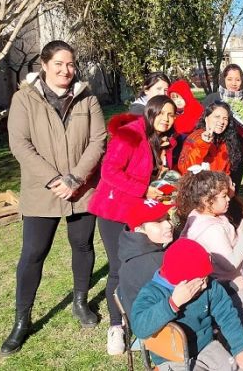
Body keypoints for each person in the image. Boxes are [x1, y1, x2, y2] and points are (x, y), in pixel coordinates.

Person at [1, 40, 107, 356]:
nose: (66, 70)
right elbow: (20, 144)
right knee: (33, 253)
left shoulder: (87, 98)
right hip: (41, 190)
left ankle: (80, 302)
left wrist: (75, 178)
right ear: (44, 65)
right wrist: (53, 179)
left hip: (82, 188)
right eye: (59, 63)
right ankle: (22, 320)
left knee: (83, 245)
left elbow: (98, 140)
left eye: (71, 64)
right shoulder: (24, 99)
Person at [88, 95, 178, 355]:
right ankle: (117, 326)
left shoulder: (164, 140)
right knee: (119, 266)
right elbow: (109, 172)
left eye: (171, 114)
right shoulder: (130, 134)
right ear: (149, 112)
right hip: (115, 209)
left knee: (147, 262)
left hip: (140, 211)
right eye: (161, 113)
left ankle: (145, 316)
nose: (166, 118)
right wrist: (144, 190)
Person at [130, 239, 243, 371]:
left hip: (206, 347)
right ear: (180, 283)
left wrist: (240, 348)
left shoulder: (209, 285)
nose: (205, 284)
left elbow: (227, 315)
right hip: (172, 359)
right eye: (200, 280)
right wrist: (172, 303)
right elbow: (139, 327)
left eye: (206, 278)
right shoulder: (153, 292)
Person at [178, 170, 243, 328]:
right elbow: (230, 263)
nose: (228, 199)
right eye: (224, 196)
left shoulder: (200, 214)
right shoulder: (211, 229)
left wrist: (241, 231)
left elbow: (227, 246)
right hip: (220, 285)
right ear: (207, 201)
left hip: (222, 279)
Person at [117, 199, 175, 317]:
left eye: (167, 218)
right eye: (158, 221)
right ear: (139, 230)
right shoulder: (154, 263)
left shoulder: (132, 251)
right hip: (163, 329)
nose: (168, 225)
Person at [177, 101, 242, 175]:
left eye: (225, 119)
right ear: (206, 118)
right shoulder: (196, 137)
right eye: (217, 117)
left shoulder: (226, 141)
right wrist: (203, 143)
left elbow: (226, 172)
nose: (221, 121)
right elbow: (185, 168)